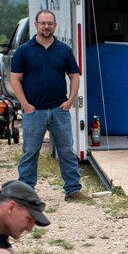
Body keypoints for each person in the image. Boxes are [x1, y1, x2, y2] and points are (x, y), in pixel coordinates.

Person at [9, 10, 87, 202]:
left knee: (66, 151)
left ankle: (72, 189)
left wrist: (70, 101)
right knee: (30, 152)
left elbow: (75, 76)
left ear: (55, 26)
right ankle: (26, 192)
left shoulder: (64, 50)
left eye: (50, 23)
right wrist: (25, 105)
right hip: (34, 111)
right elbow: (15, 79)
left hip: (59, 110)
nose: (46, 27)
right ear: (36, 25)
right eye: (43, 23)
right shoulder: (24, 51)